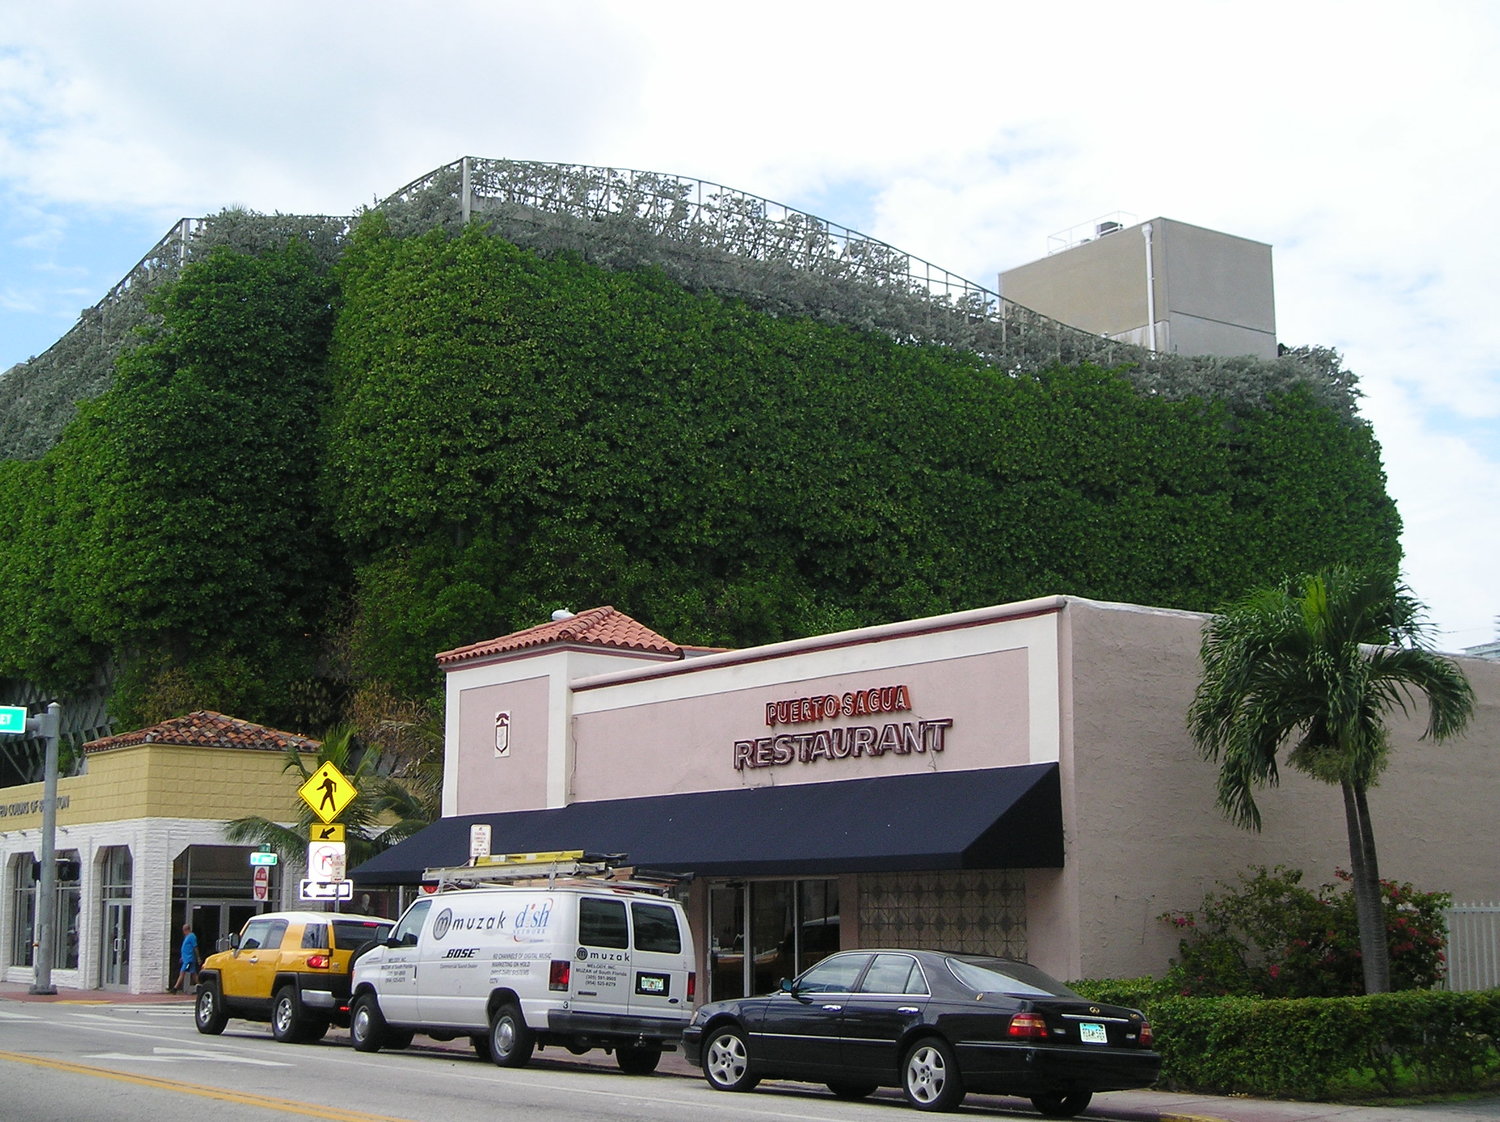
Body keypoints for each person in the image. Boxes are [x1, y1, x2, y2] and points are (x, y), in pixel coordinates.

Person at [170, 923, 199, 994]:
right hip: (186, 959)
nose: (183, 932)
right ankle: (200, 986)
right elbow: (186, 948)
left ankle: (175, 988)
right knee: (193, 974)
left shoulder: (191, 936)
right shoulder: (187, 937)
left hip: (189, 960)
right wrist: (182, 957)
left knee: (182, 972)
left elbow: (195, 948)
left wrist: (198, 957)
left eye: (184, 930)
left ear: (186, 930)